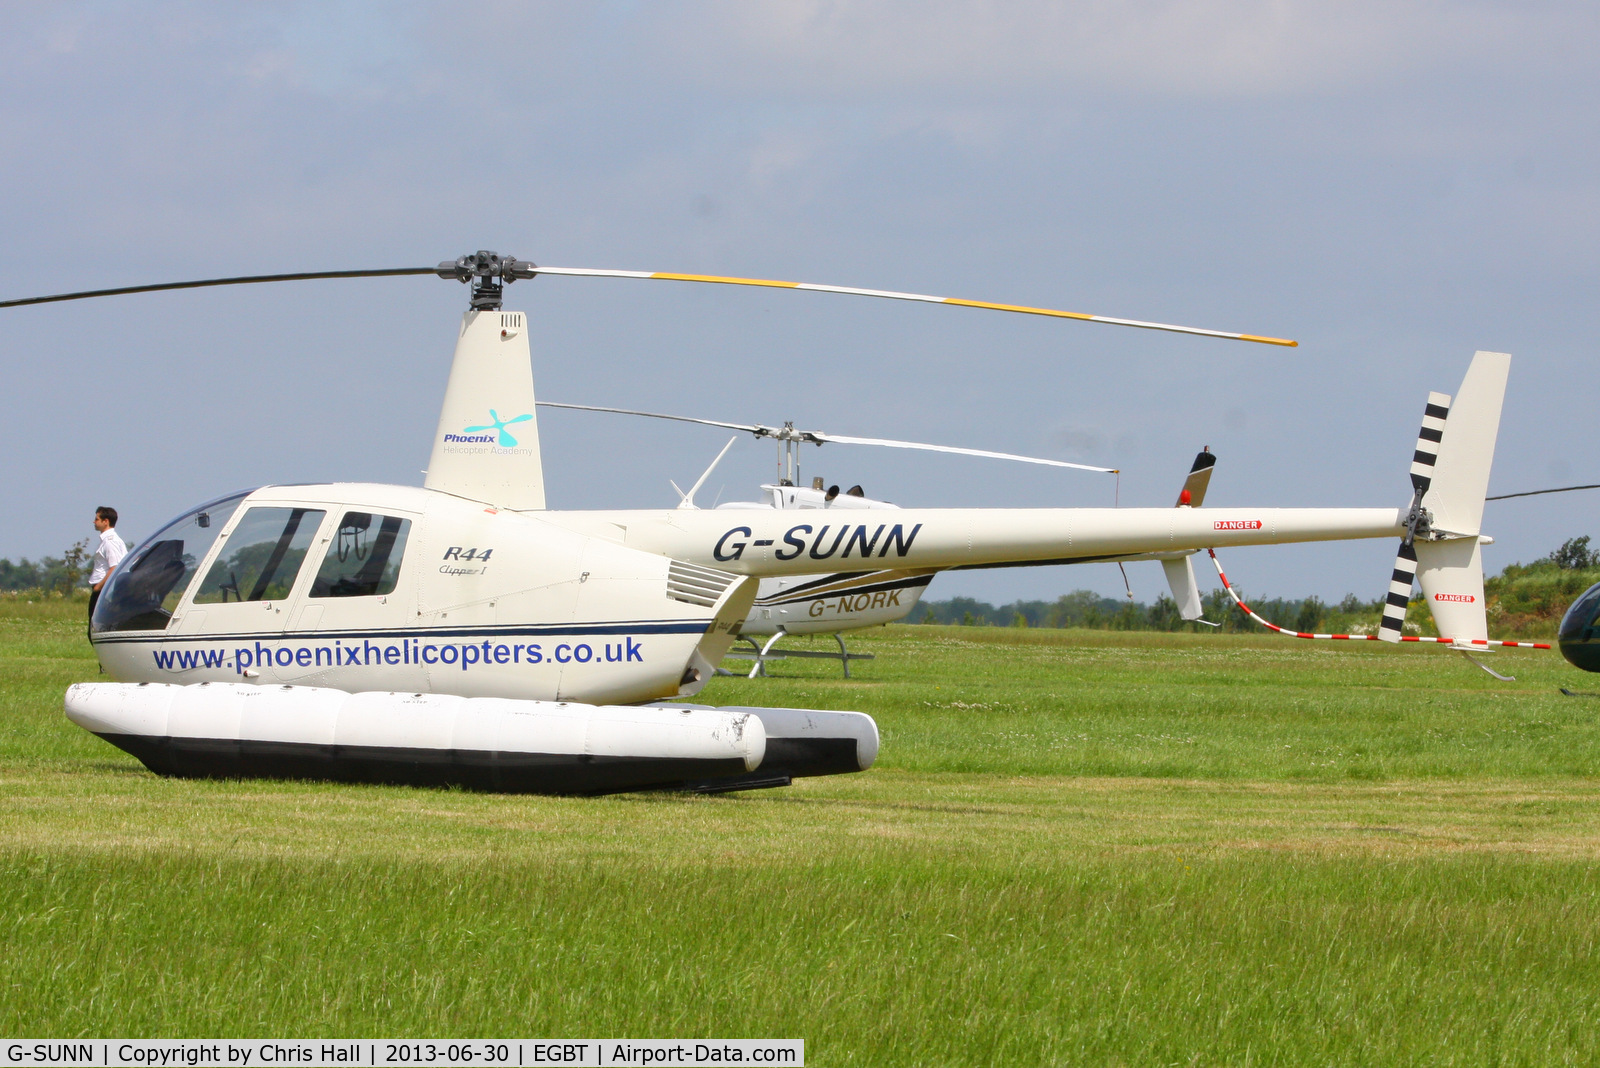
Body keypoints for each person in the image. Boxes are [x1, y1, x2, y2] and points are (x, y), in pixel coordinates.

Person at [88, 506, 127, 632]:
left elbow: (115, 567)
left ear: (106, 521)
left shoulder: (110, 541)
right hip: (104, 588)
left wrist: (98, 587)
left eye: (97, 519)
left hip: (103, 589)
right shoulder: (108, 540)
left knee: (96, 626)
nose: (94, 522)